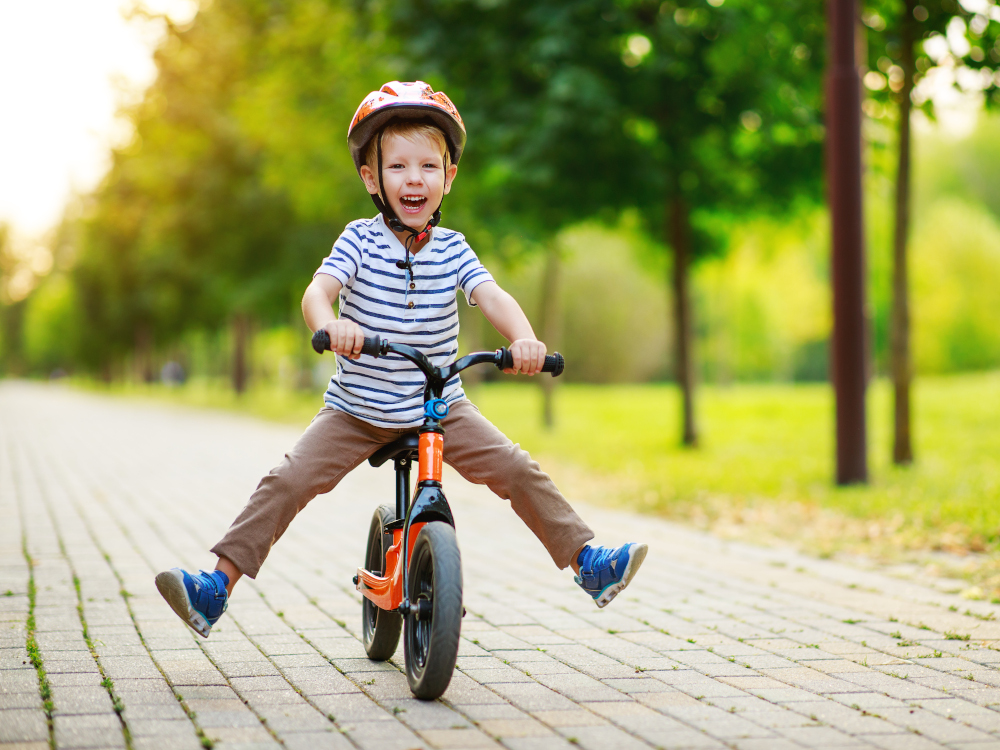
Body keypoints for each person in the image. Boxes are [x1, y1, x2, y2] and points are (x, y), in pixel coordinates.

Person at [155, 82, 647, 639]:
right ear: (373, 179)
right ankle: (215, 587)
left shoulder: (455, 248)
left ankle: (588, 564)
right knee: (287, 480)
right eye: (399, 167)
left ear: (448, 177)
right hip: (356, 408)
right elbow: (316, 294)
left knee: (516, 467)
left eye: (429, 167)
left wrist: (526, 339)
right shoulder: (358, 242)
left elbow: (493, 297)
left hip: (440, 407)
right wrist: (330, 325)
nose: (415, 179)